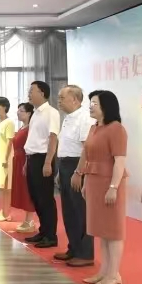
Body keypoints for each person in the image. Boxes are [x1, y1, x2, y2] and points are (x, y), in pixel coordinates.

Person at [74, 90, 129, 284]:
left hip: (109, 182)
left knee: (112, 231)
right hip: (94, 182)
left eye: (94, 103)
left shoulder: (116, 129)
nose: (90, 106)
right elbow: (87, 156)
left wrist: (113, 187)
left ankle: (113, 275)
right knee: (102, 230)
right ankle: (105, 272)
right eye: (90, 102)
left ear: (106, 106)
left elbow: (119, 161)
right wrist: (84, 180)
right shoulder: (94, 127)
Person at [54, 85, 95, 266]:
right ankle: (74, 248)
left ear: (75, 100)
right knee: (69, 210)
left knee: (80, 211)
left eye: (62, 97)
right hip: (65, 165)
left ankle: (85, 254)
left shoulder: (84, 118)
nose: (59, 101)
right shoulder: (67, 118)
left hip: (77, 165)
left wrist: (79, 172)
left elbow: (87, 149)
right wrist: (60, 171)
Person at [23, 81, 60, 249]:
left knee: (45, 198)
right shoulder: (35, 113)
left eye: (32, 91)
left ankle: (51, 236)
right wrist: (27, 162)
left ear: (42, 93)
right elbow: (33, 139)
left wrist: (47, 162)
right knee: (36, 197)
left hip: (43, 158)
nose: (29, 94)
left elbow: (53, 138)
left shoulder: (51, 112)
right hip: (32, 158)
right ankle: (43, 231)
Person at [7, 103, 37, 232]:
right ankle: (26, 220)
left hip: (25, 160)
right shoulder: (22, 127)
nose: (18, 113)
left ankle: (30, 220)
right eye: (18, 110)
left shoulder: (31, 128)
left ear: (29, 113)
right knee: (21, 189)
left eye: (21, 111)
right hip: (18, 159)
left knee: (27, 190)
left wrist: (26, 163)